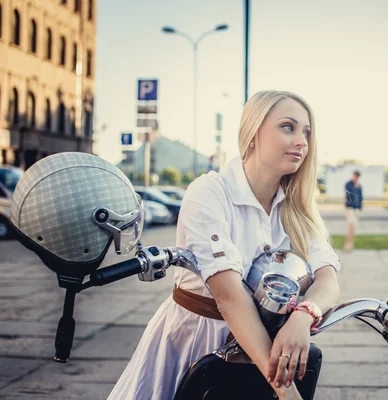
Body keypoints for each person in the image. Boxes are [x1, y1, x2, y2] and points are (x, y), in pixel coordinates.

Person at [107, 91, 341, 400]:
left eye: (307, 133)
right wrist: (286, 393)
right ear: (253, 133)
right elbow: (228, 296)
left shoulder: (298, 205)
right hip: (196, 342)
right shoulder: (209, 191)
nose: (302, 141)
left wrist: (303, 316)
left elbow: (328, 281)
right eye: (288, 127)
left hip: (264, 347)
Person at [344, 170, 363, 251]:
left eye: (357, 177)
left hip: (356, 209)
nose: (356, 178)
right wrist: (355, 186)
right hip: (350, 208)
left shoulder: (359, 185)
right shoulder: (348, 184)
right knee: (351, 226)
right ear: (353, 175)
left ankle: (350, 245)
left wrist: (360, 207)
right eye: (355, 176)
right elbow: (349, 194)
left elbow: (361, 197)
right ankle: (347, 245)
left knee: (353, 228)